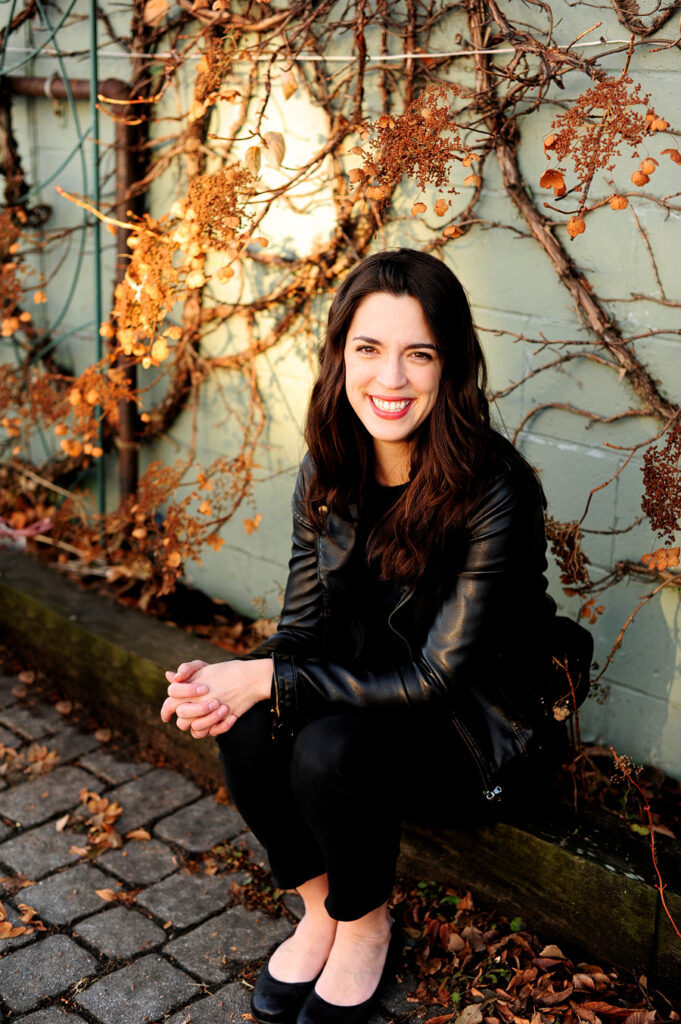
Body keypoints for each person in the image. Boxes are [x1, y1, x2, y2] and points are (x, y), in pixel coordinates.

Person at [160, 248, 591, 1024]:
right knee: (246, 718)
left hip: (472, 735)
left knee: (322, 745)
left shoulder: (496, 493)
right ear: (340, 356)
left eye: (417, 354)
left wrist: (267, 678)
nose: (389, 379)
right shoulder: (327, 469)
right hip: (367, 700)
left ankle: (365, 925)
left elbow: (436, 682)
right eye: (369, 349)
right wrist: (222, 681)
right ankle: (321, 908)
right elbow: (296, 635)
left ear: (449, 366)